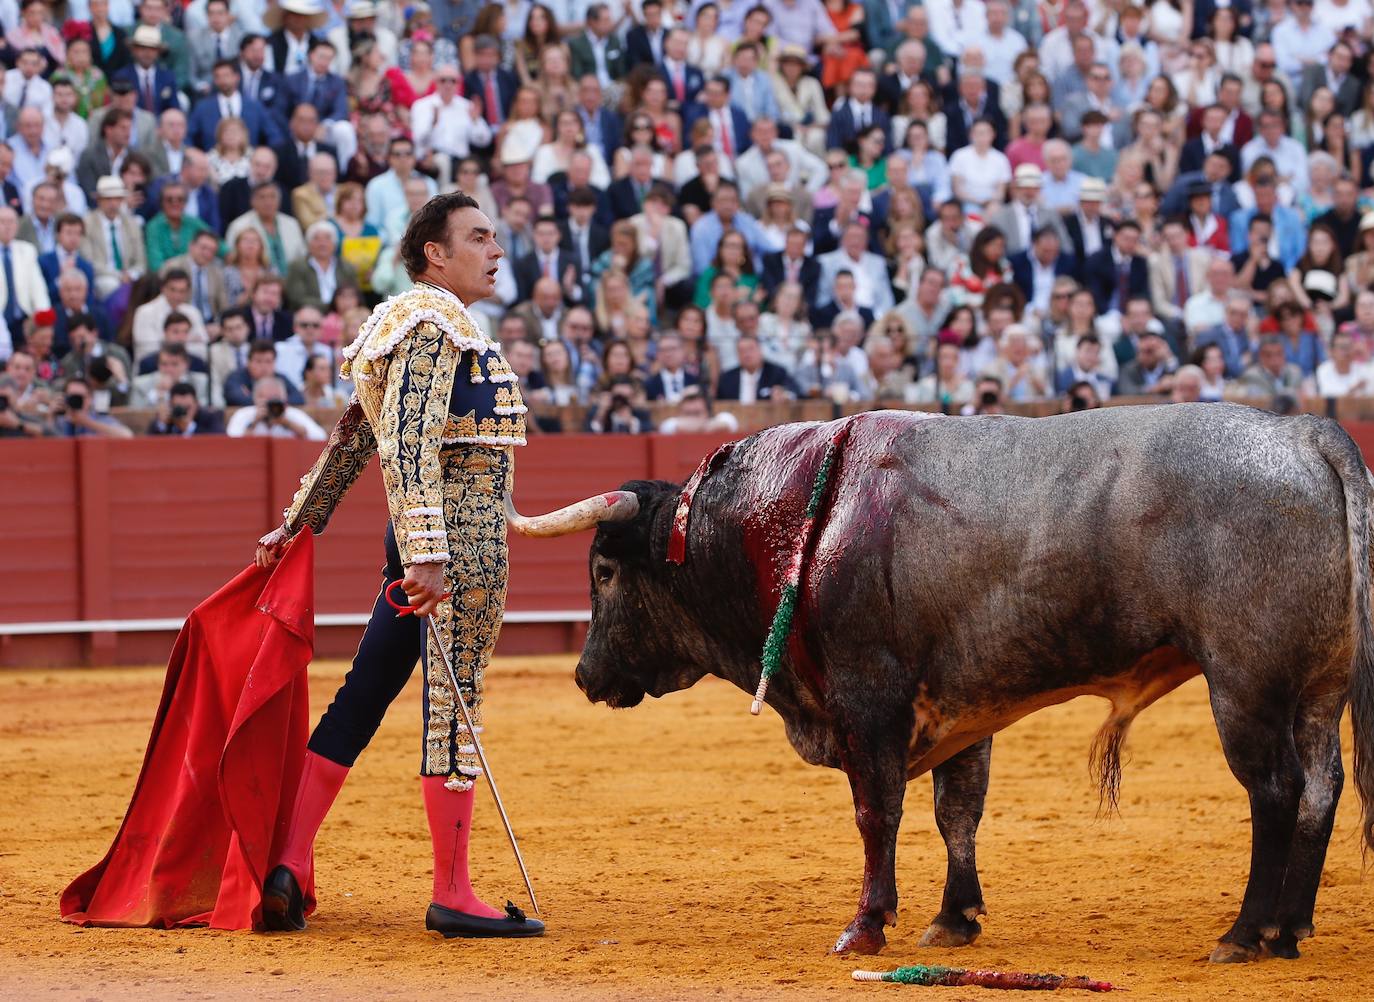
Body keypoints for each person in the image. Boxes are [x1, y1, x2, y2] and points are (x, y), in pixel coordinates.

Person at [253, 191, 550, 941]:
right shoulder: (434, 322)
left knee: (364, 692)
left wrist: (301, 520)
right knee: (455, 709)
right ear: (435, 255)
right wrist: (427, 554)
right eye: (478, 237)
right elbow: (409, 443)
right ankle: (453, 890)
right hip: (457, 546)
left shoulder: (405, 324)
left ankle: (287, 862)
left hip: (432, 543)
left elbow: (360, 436)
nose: (496, 249)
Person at [146, 379, 225, 434]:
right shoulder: (167, 420)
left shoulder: (209, 418)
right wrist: (161, 424)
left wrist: (189, 427)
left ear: (197, 404)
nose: (183, 412)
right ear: (171, 405)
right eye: (178, 407)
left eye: (187, 408)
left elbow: (219, 440)